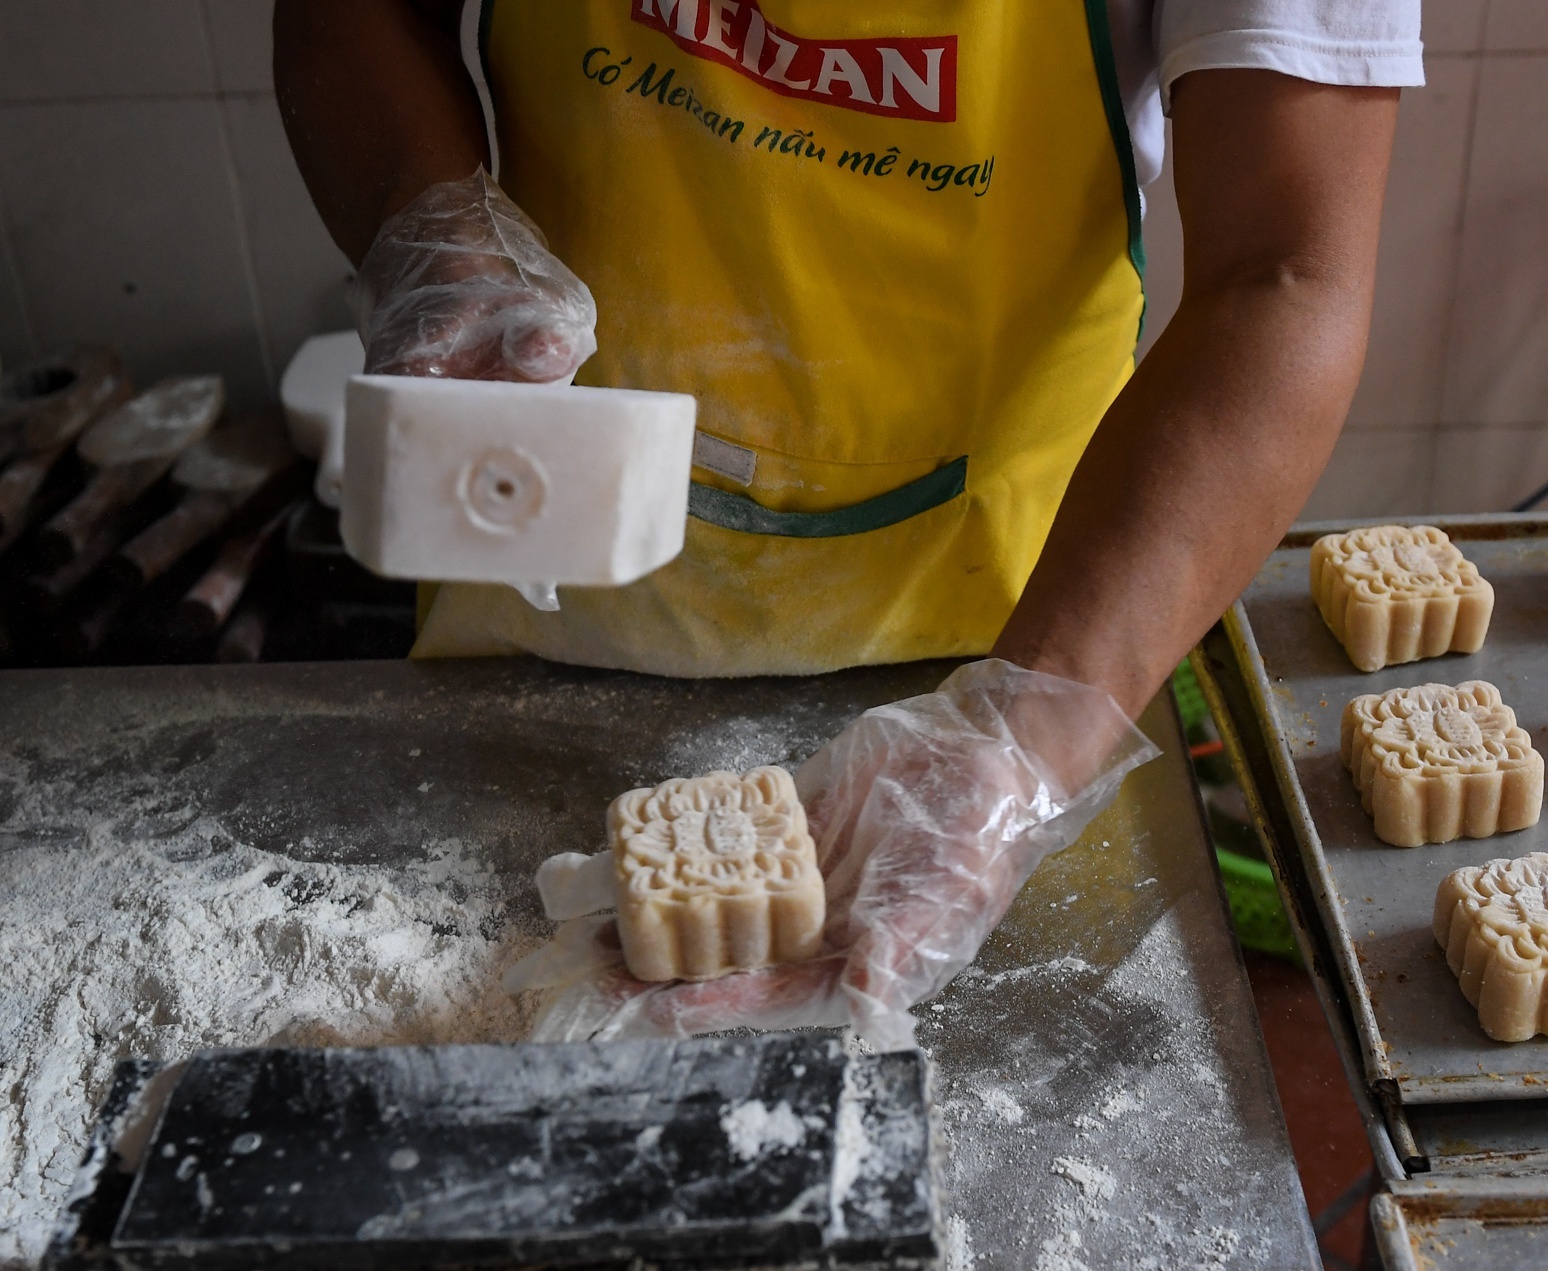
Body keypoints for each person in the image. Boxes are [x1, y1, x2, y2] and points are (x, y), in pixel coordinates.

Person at [275, 0, 1415, 1046]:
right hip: (543, 548)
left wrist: (1022, 739)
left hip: (1025, 616)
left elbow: (1287, 271)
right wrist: (427, 229)